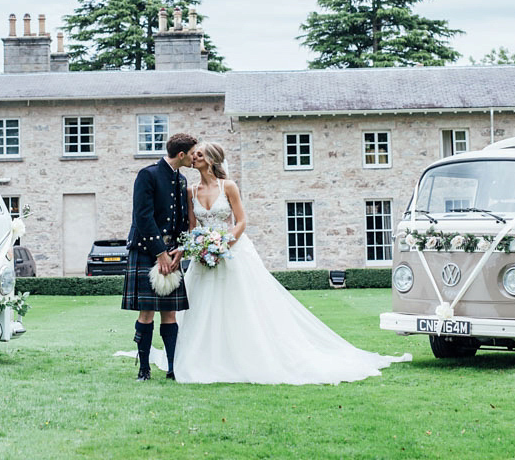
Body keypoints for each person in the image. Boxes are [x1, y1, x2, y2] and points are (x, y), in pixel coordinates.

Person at [169, 141, 410, 384]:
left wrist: (224, 244)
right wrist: (198, 246)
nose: (194, 158)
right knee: (203, 307)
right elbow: (192, 226)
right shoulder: (190, 191)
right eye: (194, 155)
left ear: (211, 159)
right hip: (205, 257)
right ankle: (208, 358)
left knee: (239, 305)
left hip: (231, 252)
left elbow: (241, 222)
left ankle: (245, 355)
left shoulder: (228, 186)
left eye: (199, 154)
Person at [120, 132, 197, 381]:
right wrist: (160, 253)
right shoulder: (148, 174)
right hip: (146, 251)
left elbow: (184, 221)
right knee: (146, 312)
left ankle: (172, 367)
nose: (195, 158)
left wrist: (181, 249)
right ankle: (144, 369)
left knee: (170, 313)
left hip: (171, 254)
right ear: (182, 154)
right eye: (193, 153)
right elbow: (142, 216)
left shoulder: (182, 180)